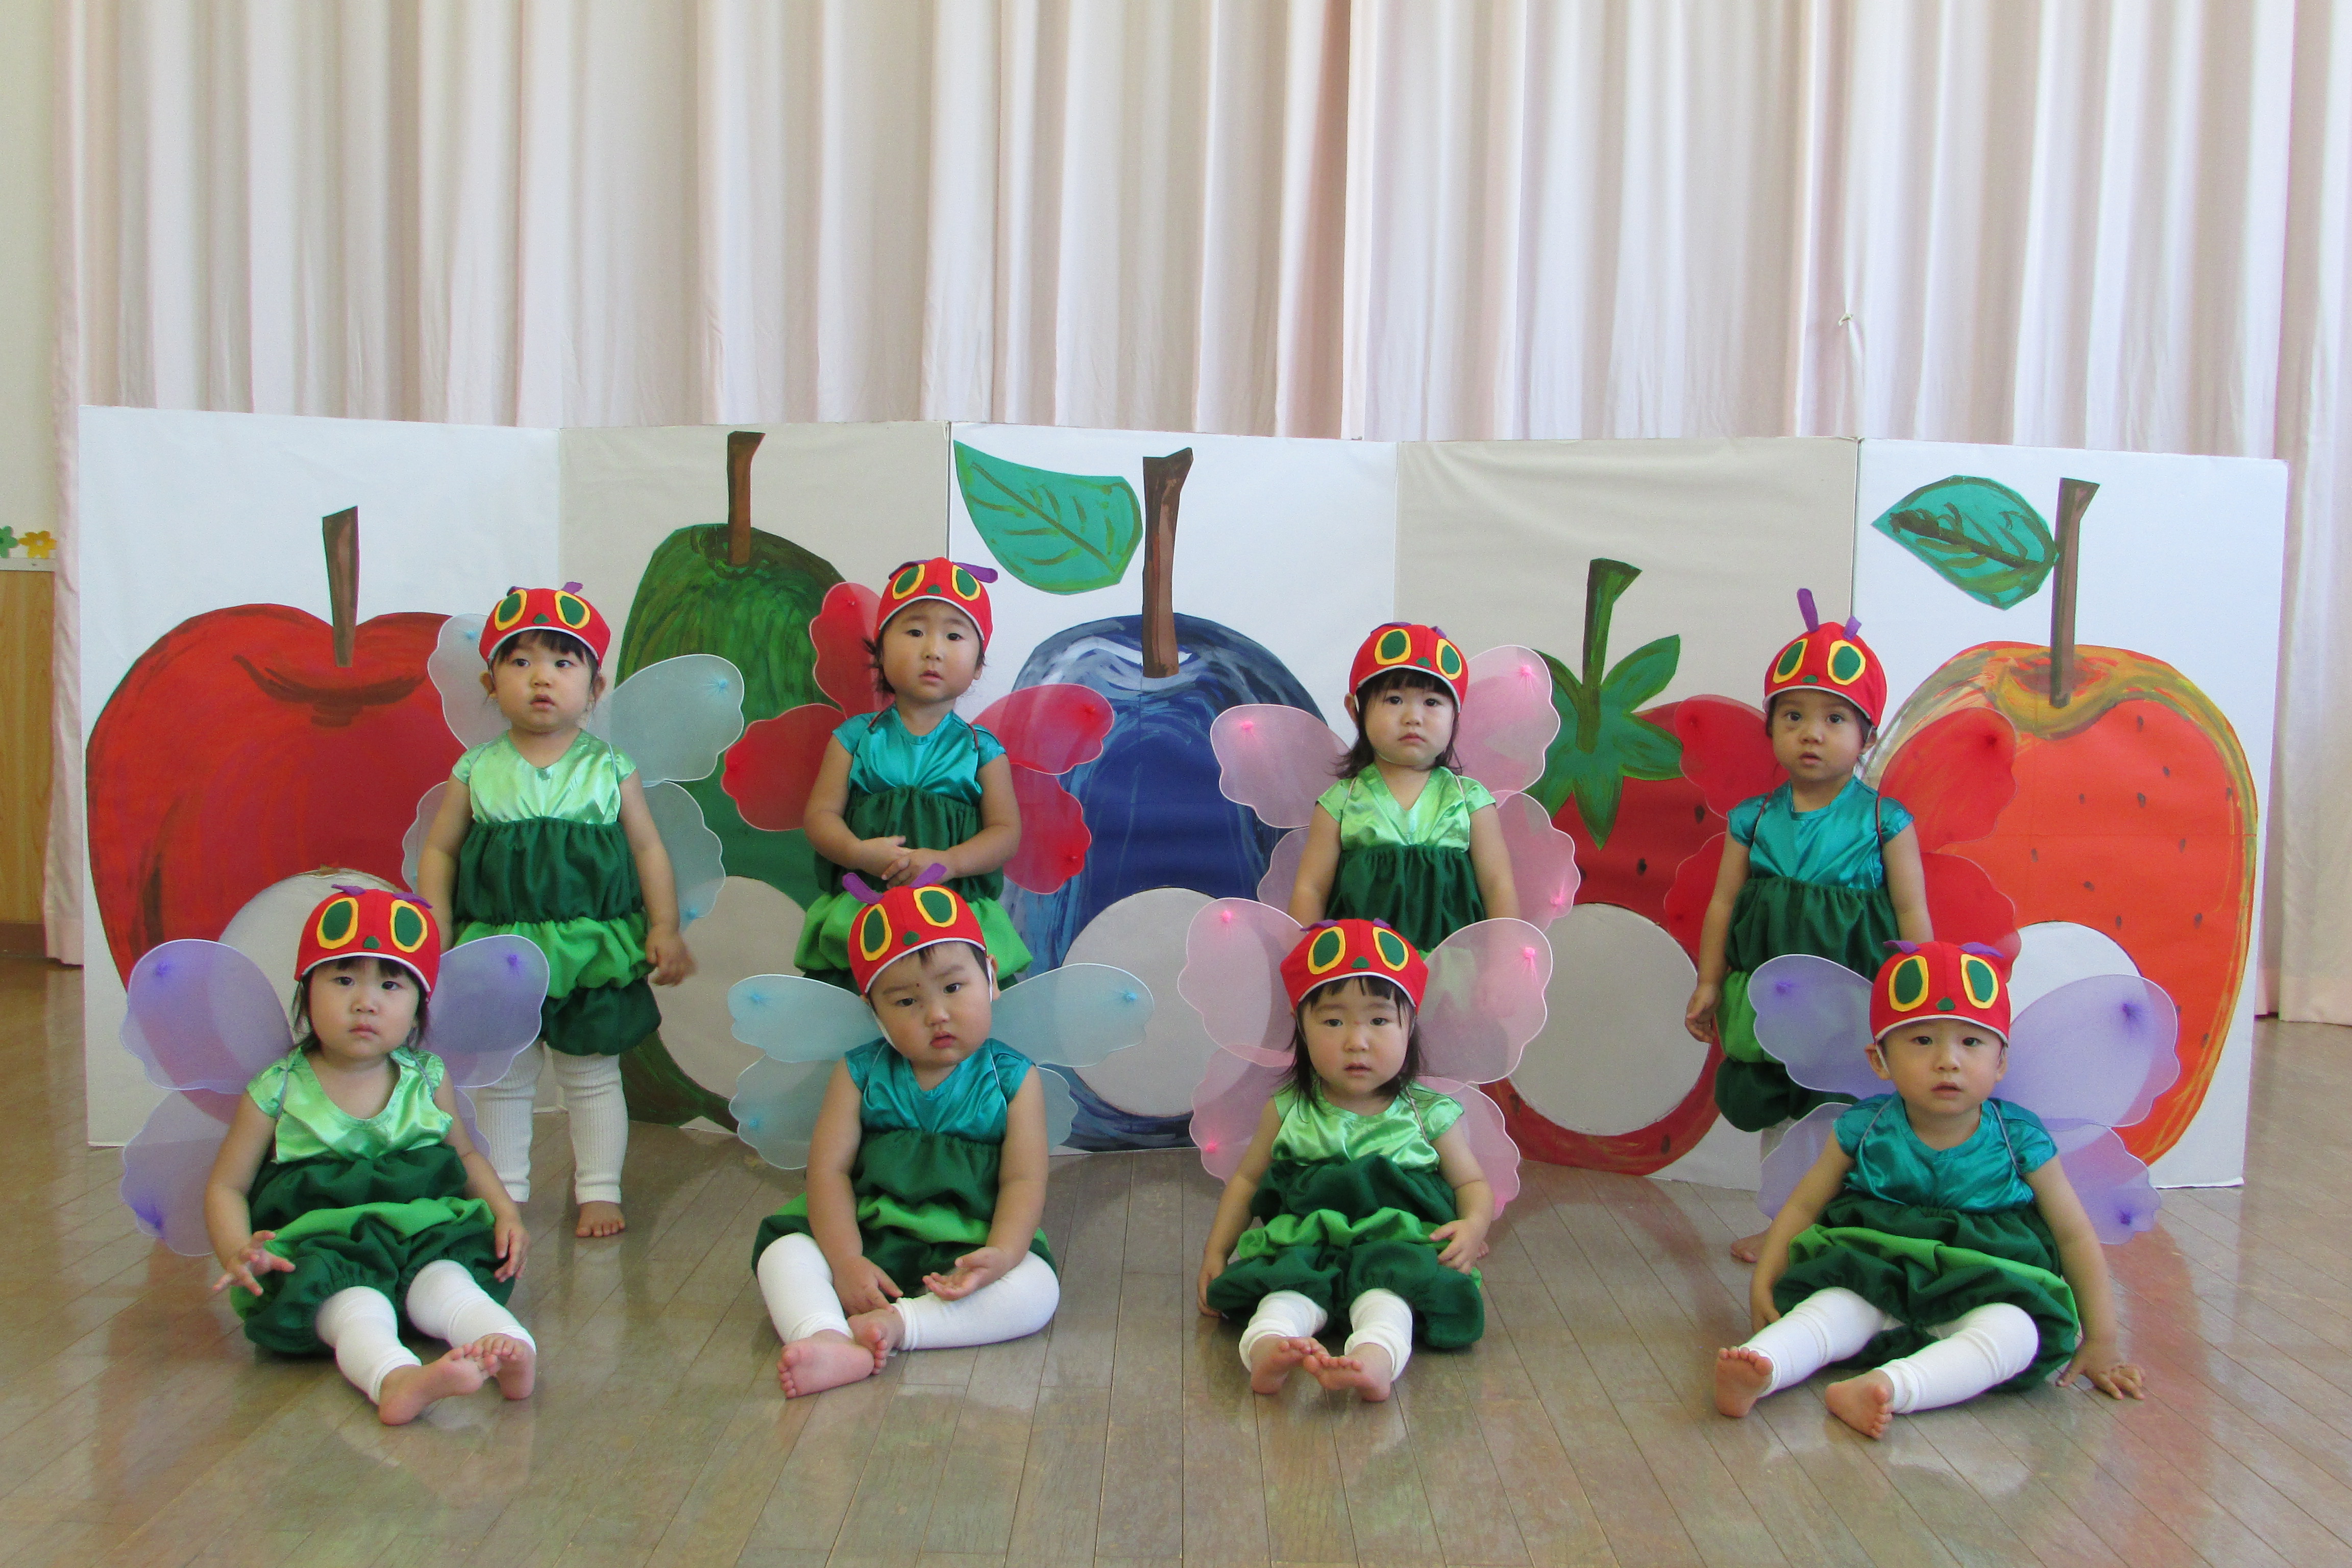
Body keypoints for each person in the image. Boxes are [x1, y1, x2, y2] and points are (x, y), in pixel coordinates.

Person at [1716, 941, 2145, 1437]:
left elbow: (2073, 1235)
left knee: (2016, 1334)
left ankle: (1890, 1387)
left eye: (1972, 1042)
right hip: (1871, 1278)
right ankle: (1766, 1364)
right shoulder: (1865, 1129)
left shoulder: (2019, 1139)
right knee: (1830, 1308)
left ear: (2001, 1062)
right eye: (1922, 1041)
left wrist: (2102, 1339)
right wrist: (1764, 1279)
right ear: (1880, 1060)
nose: (1948, 1061)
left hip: (1985, 1287)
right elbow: (1804, 1206)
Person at [418, 584, 696, 1239]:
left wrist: (664, 926)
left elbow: (648, 848)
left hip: (591, 951)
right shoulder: (477, 769)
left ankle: (598, 1188)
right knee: (505, 1077)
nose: (541, 678)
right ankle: (506, 1190)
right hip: (498, 952)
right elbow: (441, 849)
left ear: (595, 687)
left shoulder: (610, 768)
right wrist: (436, 924)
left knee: (591, 1074)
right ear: (491, 683)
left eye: (563, 662)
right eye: (520, 662)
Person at [204, 888, 535, 1426]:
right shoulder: (278, 1089)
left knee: (449, 1281)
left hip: (423, 1236)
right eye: (343, 980)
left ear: (419, 1006)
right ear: (306, 992)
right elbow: (227, 1186)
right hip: (325, 1251)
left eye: (390, 985)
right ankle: (395, 1379)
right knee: (356, 1306)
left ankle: (509, 1346)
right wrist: (237, 1250)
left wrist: (506, 1213)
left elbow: (466, 1155)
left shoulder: (425, 1078)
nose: (365, 1002)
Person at [1684, 591, 1930, 1259]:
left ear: (1867, 735)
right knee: (1782, 1108)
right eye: (1793, 716)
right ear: (1771, 728)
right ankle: (1783, 1224)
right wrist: (1709, 981)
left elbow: (1912, 912)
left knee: (1843, 1110)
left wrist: (1919, 995)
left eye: (1834, 718)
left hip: (1851, 1001)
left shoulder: (1885, 821)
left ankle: (1844, 1224)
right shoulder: (1755, 819)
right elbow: (1723, 905)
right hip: (1770, 999)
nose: (1812, 733)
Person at [751, 881, 1059, 1396]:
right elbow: (828, 1172)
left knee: (1037, 1290)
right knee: (784, 1252)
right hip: (868, 1237)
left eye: (953, 988)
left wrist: (1003, 1254)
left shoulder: (1013, 1079)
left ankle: (903, 1326)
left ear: (990, 979)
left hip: (967, 1245)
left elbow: (1024, 1180)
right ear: (874, 1010)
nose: (936, 1014)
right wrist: (846, 1262)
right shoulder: (860, 1073)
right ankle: (825, 1335)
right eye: (907, 1000)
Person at [1197, 919, 1492, 1401]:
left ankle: (1375, 1359)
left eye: (1379, 1021)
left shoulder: (1428, 1114)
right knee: (1284, 1292)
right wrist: (1217, 1250)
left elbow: (1471, 1183)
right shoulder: (1290, 1109)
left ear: (1410, 1027)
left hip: (1394, 1248)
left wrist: (1474, 1225)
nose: (1357, 1041)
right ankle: (1269, 1347)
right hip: (1304, 1243)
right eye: (1333, 1022)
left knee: (1389, 1300)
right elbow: (1247, 1182)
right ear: (1302, 1028)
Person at [795, 558, 1031, 988]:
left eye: (954, 636)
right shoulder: (855, 739)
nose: (933, 650)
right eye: (915, 632)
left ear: (978, 665)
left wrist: (950, 862)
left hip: (953, 922)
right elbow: (820, 817)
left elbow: (1005, 833)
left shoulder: (982, 750)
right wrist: (857, 852)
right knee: (859, 1011)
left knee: (956, 1015)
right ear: (881, 653)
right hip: (867, 915)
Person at [1288, 623, 1518, 953]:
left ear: (1456, 716)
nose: (1414, 717)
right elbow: (1310, 889)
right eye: (1394, 699)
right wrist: (1306, 963)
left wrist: (1503, 963)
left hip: (1456, 970)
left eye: (1432, 702)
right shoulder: (1340, 803)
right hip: (1363, 972)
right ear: (1355, 710)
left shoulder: (1470, 802)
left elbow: (1498, 887)